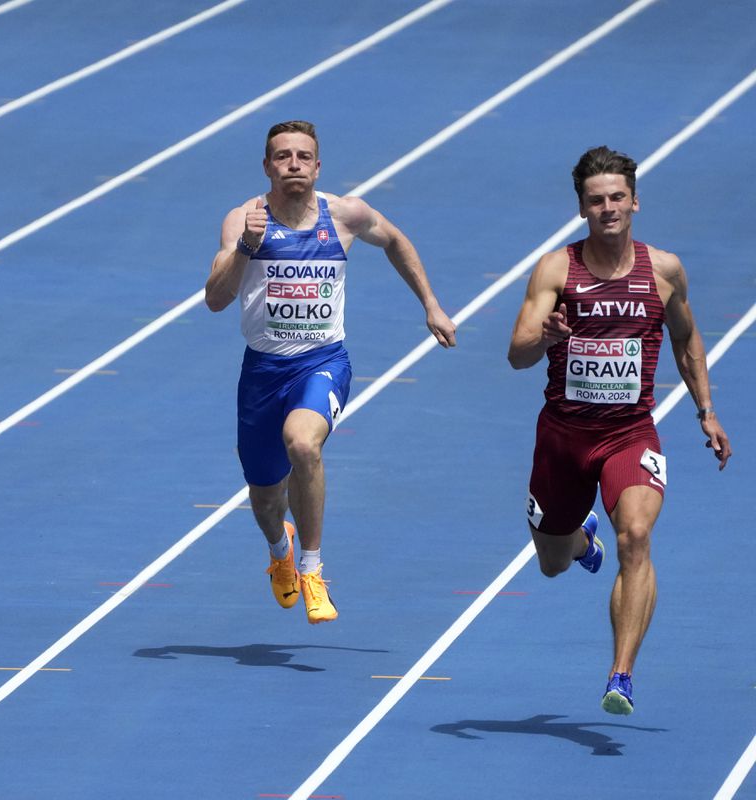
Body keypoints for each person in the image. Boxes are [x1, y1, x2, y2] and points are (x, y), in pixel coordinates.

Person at [508, 145, 731, 714]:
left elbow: (686, 339)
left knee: (635, 536)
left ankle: (621, 674)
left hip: (629, 435)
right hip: (562, 437)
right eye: (595, 200)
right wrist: (549, 338)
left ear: (635, 200)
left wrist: (706, 410)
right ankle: (581, 538)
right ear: (581, 207)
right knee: (553, 563)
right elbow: (517, 353)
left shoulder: (664, 270)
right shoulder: (557, 269)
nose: (608, 207)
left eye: (617, 197)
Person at [205, 120, 457, 624]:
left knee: (303, 444)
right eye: (283, 156)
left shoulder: (344, 215)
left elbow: (396, 241)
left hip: (322, 362)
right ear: (267, 166)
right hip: (262, 371)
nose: (293, 164)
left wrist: (431, 304)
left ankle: (313, 568)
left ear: (318, 166)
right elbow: (215, 299)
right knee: (265, 497)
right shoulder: (244, 220)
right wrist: (246, 249)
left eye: (303, 156)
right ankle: (280, 551)